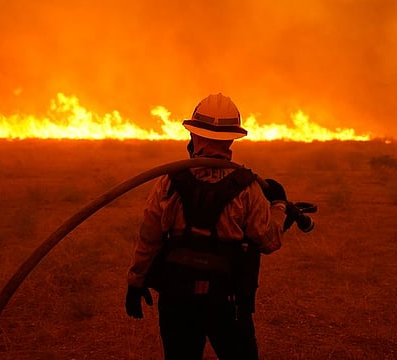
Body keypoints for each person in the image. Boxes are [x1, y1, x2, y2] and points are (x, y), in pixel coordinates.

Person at [125, 93, 292, 360]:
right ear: (231, 139)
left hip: (177, 299)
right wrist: (280, 208)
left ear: (194, 136)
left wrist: (135, 281)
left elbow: (149, 236)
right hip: (227, 302)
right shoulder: (248, 188)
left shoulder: (169, 181)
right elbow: (269, 240)